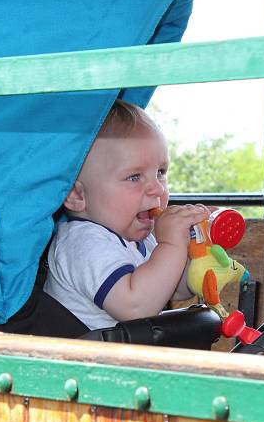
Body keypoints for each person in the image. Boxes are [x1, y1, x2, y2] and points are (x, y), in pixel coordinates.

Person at [44, 100, 209, 330]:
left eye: (160, 172)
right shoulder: (82, 242)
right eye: (134, 177)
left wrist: (196, 255)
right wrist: (171, 245)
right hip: (78, 362)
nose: (158, 189)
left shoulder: (142, 238)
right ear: (75, 194)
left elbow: (172, 289)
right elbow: (135, 308)